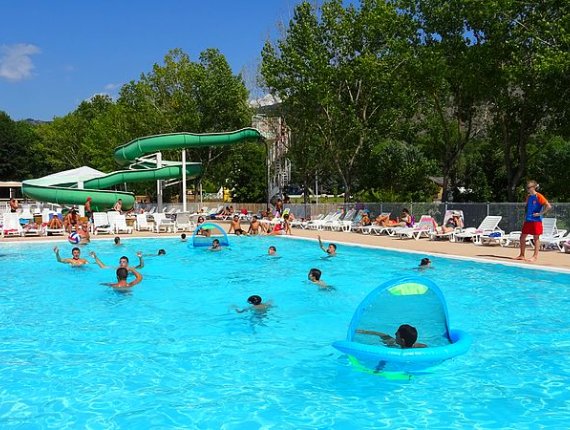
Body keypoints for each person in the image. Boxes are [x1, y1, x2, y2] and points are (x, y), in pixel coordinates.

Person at [515, 180, 552, 262]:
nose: (527, 189)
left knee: (536, 238)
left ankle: (535, 256)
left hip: (536, 221)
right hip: (528, 220)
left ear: (534, 187)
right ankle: (522, 255)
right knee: (522, 237)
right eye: (527, 188)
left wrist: (540, 213)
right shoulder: (528, 197)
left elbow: (548, 206)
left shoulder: (539, 196)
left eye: (529, 188)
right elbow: (527, 207)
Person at [356, 324, 427, 348]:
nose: (395, 334)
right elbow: (381, 334)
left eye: (397, 334)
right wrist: (364, 332)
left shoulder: (394, 345)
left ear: (402, 340)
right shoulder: (393, 342)